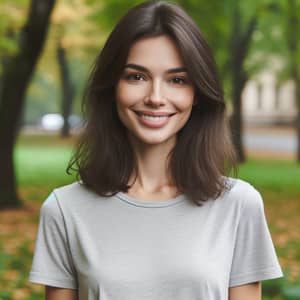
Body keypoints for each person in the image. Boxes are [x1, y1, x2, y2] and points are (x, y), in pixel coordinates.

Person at [29, 1, 283, 299]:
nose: (155, 98)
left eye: (177, 80)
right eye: (136, 76)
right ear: (112, 86)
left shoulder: (240, 206)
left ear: (197, 93)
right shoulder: (63, 210)